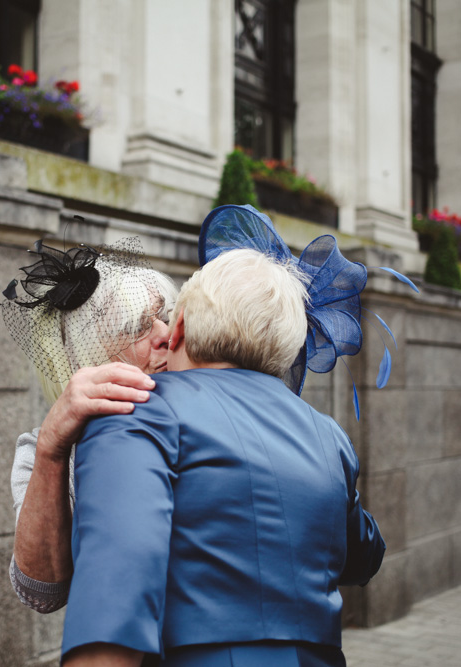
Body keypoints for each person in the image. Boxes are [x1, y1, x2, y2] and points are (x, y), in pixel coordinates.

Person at [60, 206, 412, 666]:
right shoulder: (329, 436)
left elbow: (115, 602)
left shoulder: (135, 411)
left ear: (180, 327)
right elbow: (365, 555)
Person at [0, 236, 178, 612]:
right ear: (88, 355)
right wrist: (52, 449)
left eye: (166, 319)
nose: (166, 336)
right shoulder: (44, 449)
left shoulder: (198, 404)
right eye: (140, 327)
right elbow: (42, 592)